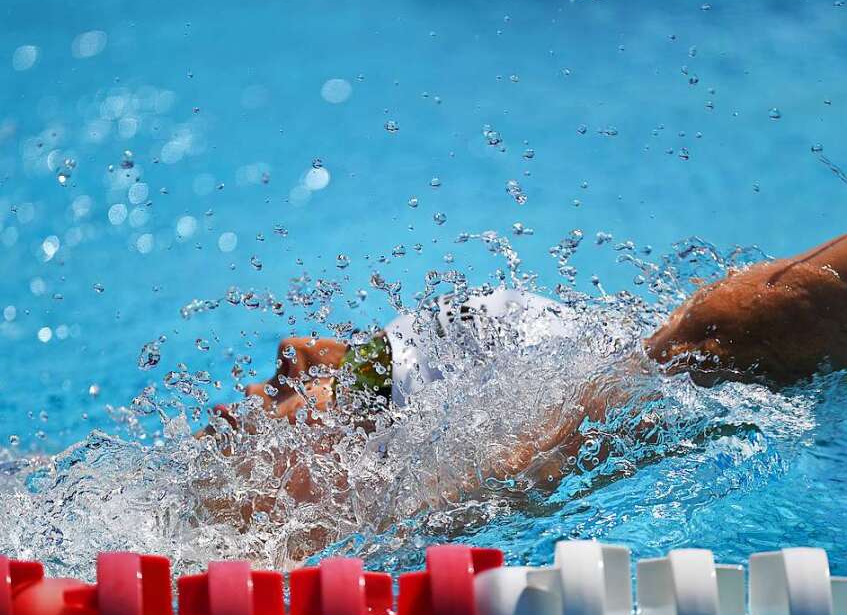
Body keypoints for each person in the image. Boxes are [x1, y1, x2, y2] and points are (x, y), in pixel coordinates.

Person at [206, 233, 847, 497]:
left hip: (442, 380)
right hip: (446, 367)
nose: (237, 399)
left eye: (287, 384)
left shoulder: (694, 361)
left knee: (713, 342)